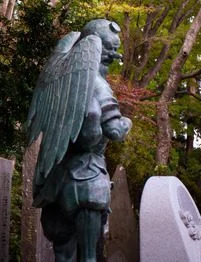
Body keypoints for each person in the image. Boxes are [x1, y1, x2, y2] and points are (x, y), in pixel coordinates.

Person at [28, 19, 132, 262]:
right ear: (97, 49)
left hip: (58, 180)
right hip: (89, 178)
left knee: (63, 254)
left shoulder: (64, 79)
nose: (113, 56)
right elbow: (115, 131)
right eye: (110, 50)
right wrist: (128, 122)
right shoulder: (98, 86)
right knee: (89, 257)